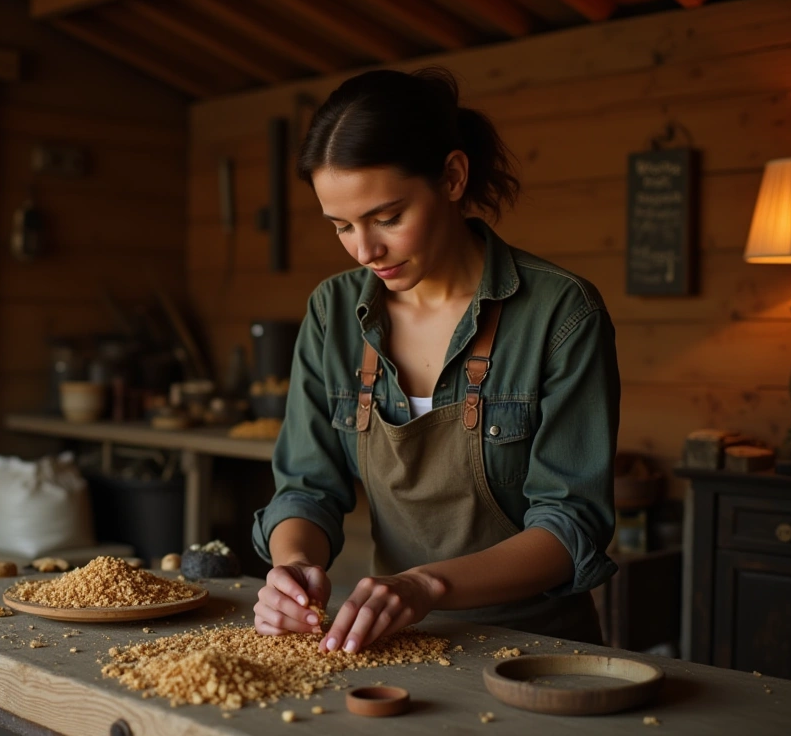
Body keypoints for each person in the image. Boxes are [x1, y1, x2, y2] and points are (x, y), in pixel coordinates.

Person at [251, 68, 620, 653]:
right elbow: (307, 489)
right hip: (394, 643)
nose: (365, 250)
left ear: (451, 176)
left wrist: (425, 584)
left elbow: (569, 525)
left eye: (387, 218)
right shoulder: (333, 311)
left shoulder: (560, 313)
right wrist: (291, 572)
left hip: (535, 652)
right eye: (342, 226)